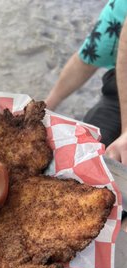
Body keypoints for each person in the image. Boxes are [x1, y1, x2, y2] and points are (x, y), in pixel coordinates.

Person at [45, 0, 127, 165]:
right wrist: (47, 105)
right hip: (119, 93)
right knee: (87, 156)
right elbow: (87, 59)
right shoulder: (119, 9)